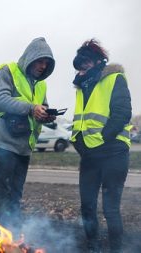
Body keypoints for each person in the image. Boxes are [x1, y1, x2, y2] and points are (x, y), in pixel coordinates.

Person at [70, 39, 132, 253]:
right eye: (78, 68)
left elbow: (122, 114)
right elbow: (81, 120)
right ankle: (93, 247)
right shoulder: (82, 86)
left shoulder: (114, 79)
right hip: (89, 156)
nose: (80, 71)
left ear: (97, 62)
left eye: (84, 66)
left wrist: (102, 140)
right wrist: (77, 141)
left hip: (113, 153)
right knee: (87, 206)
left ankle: (116, 249)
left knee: (110, 209)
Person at [0, 37, 55, 229]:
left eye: (47, 63)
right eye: (40, 61)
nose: (43, 66)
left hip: (25, 146)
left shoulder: (41, 84)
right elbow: (0, 100)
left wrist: (45, 115)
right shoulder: (7, 70)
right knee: (2, 190)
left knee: (16, 192)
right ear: (30, 57)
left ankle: (13, 234)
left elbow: (42, 106)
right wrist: (31, 108)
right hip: (5, 142)